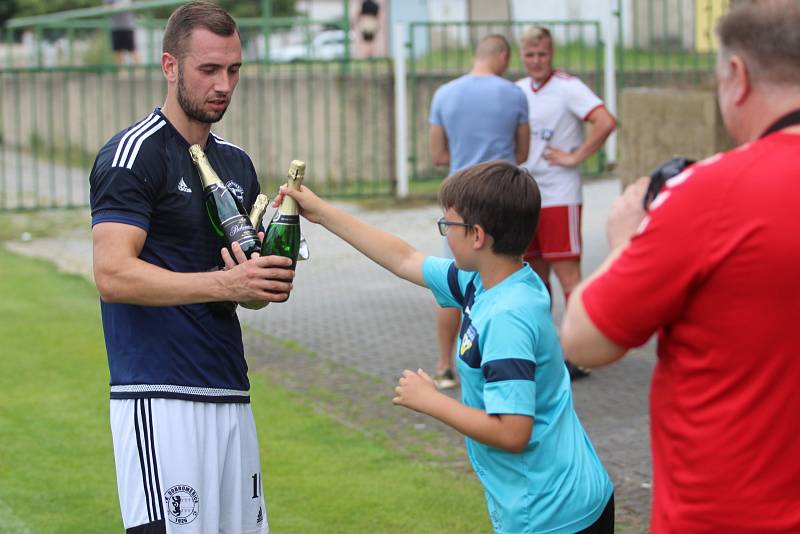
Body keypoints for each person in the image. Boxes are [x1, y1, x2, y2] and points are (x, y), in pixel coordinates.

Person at [561, 1, 800, 532]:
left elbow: (585, 340)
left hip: (727, 516)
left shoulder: (713, 192)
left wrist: (625, 239)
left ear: (736, 76)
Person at [276, 160, 613, 533]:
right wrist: (322, 212)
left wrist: (432, 401)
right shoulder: (487, 281)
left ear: (477, 236)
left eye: (448, 224)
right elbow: (404, 258)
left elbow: (512, 432)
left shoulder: (507, 318)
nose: (444, 233)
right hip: (552, 502)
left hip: (555, 515)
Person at [89, 2, 295, 532]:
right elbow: (113, 275)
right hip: (158, 395)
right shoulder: (133, 154)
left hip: (229, 388)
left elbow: (241, 290)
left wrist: (259, 283)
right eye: (208, 69)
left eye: (233, 70)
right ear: (170, 66)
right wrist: (225, 282)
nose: (224, 84)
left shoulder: (237, 163)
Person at [429, 34, 530, 389]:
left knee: (451, 286)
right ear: (502, 56)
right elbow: (522, 153)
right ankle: (499, 362)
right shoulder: (515, 94)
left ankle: (444, 366)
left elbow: (438, 155)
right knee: (505, 280)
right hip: (504, 201)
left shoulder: (443, 94)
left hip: (461, 202)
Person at [515, 27, 616, 380]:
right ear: (521, 55)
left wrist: (577, 156)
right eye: (530, 54)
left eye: (542, 54)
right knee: (533, 277)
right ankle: (545, 352)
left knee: (569, 276)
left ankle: (581, 352)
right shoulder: (518, 90)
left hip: (560, 194)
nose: (536, 61)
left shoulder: (568, 86)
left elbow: (605, 121)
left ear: (551, 52)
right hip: (527, 195)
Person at [106, 0, 141, 65]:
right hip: (116, 26)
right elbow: (107, 6)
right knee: (118, 51)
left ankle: (139, 71)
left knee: (133, 50)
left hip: (128, 25)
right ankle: (121, 73)